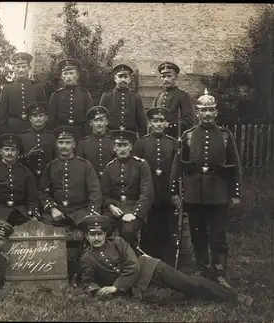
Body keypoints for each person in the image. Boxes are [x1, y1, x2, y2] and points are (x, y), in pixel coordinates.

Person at [78, 215, 253, 306]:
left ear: (105, 234)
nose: (96, 238)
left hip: (151, 269)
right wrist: (98, 290)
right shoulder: (87, 258)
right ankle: (210, 294)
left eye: (99, 234)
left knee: (187, 283)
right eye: (92, 235)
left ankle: (233, 296)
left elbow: (132, 265)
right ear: (86, 237)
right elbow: (87, 282)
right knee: (169, 298)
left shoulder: (118, 242)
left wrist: (115, 287)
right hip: (137, 288)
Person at [170, 89, 242, 289]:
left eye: (211, 110)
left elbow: (236, 166)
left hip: (218, 194)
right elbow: (177, 166)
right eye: (203, 110)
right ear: (198, 113)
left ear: (216, 113)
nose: (207, 114)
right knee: (197, 234)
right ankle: (202, 269)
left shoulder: (226, 136)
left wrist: (235, 194)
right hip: (194, 195)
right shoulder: (188, 136)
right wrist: (174, 191)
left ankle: (219, 271)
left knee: (218, 235)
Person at [38, 126, 102, 285]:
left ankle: (79, 274)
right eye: (61, 142)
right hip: (57, 212)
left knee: (84, 231)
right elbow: (42, 192)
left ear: (74, 145)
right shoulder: (51, 166)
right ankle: (49, 272)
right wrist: (52, 208)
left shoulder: (85, 165)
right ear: (56, 145)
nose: (64, 146)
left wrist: (91, 213)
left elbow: (95, 192)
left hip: (79, 211)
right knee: (42, 229)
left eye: (68, 142)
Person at [133, 107, 179, 264]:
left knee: (168, 228)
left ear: (166, 123)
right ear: (150, 123)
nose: (158, 124)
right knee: (148, 228)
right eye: (155, 121)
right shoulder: (142, 143)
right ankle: (149, 263)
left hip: (167, 192)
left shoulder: (173, 144)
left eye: (161, 121)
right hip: (148, 191)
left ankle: (167, 263)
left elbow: (178, 170)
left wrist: (176, 193)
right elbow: (135, 169)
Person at [100, 130, 154, 252]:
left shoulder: (141, 165)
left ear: (131, 147)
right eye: (119, 145)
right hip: (115, 209)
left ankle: (131, 261)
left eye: (125, 145)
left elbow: (147, 193)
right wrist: (111, 206)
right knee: (100, 229)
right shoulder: (109, 167)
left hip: (134, 207)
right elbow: (104, 193)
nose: (122, 149)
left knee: (128, 231)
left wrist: (134, 213)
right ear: (114, 148)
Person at [0, 134, 40, 228]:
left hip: (21, 213)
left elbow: (32, 198)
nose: (9, 153)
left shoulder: (26, 172)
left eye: (13, 150)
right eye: (6, 150)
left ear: (18, 152)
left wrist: (33, 214)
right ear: (0, 152)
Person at [0, 52, 47, 135]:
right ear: (14, 68)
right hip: (12, 128)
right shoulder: (7, 88)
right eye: (18, 67)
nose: (21, 70)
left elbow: (44, 109)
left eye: (24, 67)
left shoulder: (37, 87)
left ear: (29, 68)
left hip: (32, 127)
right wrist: (4, 132)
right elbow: (2, 114)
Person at [48, 58, 94, 141]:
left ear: (77, 75)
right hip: (61, 133)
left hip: (80, 133)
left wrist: (87, 135)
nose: (68, 76)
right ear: (62, 76)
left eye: (71, 73)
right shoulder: (56, 95)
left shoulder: (85, 95)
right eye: (65, 73)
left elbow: (90, 119)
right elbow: (51, 119)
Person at [98, 64, 147, 136]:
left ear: (129, 79)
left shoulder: (136, 97)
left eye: (126, 77)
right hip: (111, 136)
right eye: (120, 77)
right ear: (115, 79)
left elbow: (142, 121)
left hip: (130, 135)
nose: (123, 79)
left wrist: (142, 139)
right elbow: (101, 119)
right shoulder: (106, 96)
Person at [153, 61, 197, 139]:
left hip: (175, 138)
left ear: (176, 77)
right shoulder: (158, 97)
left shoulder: (183, 96)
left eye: (169, 76)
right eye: (163, 76)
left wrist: (169, 126)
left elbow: (189, 121)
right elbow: (152, 119)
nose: (166, 79)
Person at [19, 101, 56, 181]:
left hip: (48, 177)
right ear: (30, 119)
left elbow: (56, 159)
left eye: (41, 115)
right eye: (35, 116)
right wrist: (27, 155)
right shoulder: (22, 137)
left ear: (46, 118)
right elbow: (17, 160)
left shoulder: (52, 137)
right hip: (27, 177)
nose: (38, 118)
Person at [76, 105, 116, 178]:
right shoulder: (83, 143)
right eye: (95, 120)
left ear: (106, 122)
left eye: (101, 120)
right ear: (91, 123)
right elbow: (79, 168)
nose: (99, 124)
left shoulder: (113, 142)